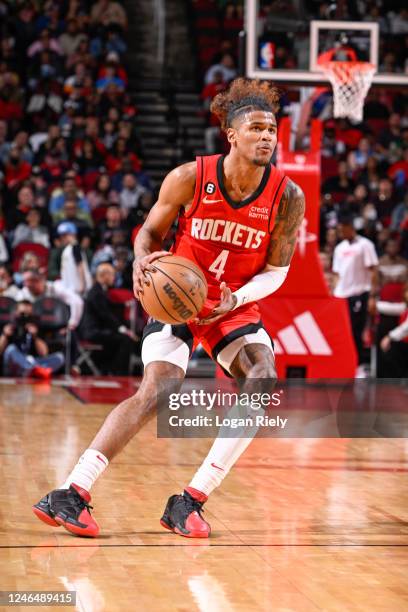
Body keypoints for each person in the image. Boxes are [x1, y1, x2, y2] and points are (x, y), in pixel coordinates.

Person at [32, 78, 305, 539]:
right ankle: (71, 491)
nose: (267, 137)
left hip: (232, 304)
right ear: (231, 135)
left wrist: (235, 299)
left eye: (273, 130)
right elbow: (148, 234)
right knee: (158, 391)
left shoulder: (287, 197)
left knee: (262, 376)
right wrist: (141, 261)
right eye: (256, 128)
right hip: (179, 298)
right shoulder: (189, 178)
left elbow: (278, 271)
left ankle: (189, 501)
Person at [332, 214, 379, 373]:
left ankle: (358, 366)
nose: (339, 233)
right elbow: (337, 274)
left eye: (342, 229)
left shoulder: (365, 245)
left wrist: (373, 296)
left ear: (350, 228)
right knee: (341, 332)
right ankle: (343, 364)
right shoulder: (339, 248)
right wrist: (333, 294)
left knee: (355, 331)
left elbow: (373, 271)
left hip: (359, 292)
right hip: (341, 296)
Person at [79, 262, 138, 375]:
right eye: (112, 275)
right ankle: (119, 373)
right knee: (124, 339)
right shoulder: (96, 292)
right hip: (92, 332)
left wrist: (125, 305)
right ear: (104, 275)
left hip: (98, 330)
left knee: (119, 338)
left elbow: (109, 306)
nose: (114, 278)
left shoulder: (100, 290)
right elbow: (105, 314)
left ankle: (109, 369)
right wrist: (123, 329)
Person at [0, 299, 64, 379]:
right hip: (14, 365)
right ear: (16, 313)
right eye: (22, 314)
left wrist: (35, 337)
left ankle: (31, 370)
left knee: (59, 357)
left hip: (33, 360)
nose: (25, 317)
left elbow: (44, 353)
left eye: (28, 314)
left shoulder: (36, 326)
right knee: (10, 349)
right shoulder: (9, 325)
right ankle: (33, 370)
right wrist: (5, 335)